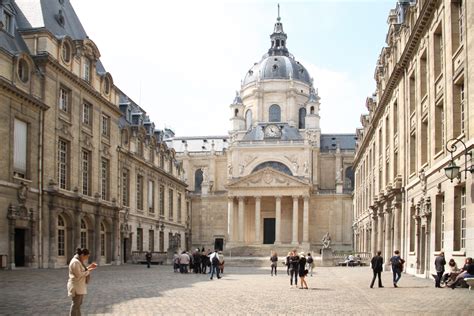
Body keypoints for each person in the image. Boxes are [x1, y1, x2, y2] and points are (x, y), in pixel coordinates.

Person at [67, 248, 97, 316]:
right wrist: (88, 271)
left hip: (79, 286)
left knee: (78, 305)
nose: (86, 259)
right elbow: (79, 274)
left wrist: (90, 267)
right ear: (82, 255)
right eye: (86, 257)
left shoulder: (78, 261)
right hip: (76, 286)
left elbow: (82, 270)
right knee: (75, 305)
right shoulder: (75, 262)